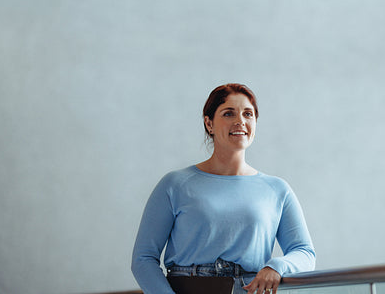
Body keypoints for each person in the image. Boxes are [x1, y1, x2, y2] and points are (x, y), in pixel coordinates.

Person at [131, 83, 315, 294]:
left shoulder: (277, 189)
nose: (240, 121)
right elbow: (143, 259)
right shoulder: (175, 184)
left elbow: (305, 253)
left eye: (248, 114)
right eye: (228, 113)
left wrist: (276, 266)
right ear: (209, 124)